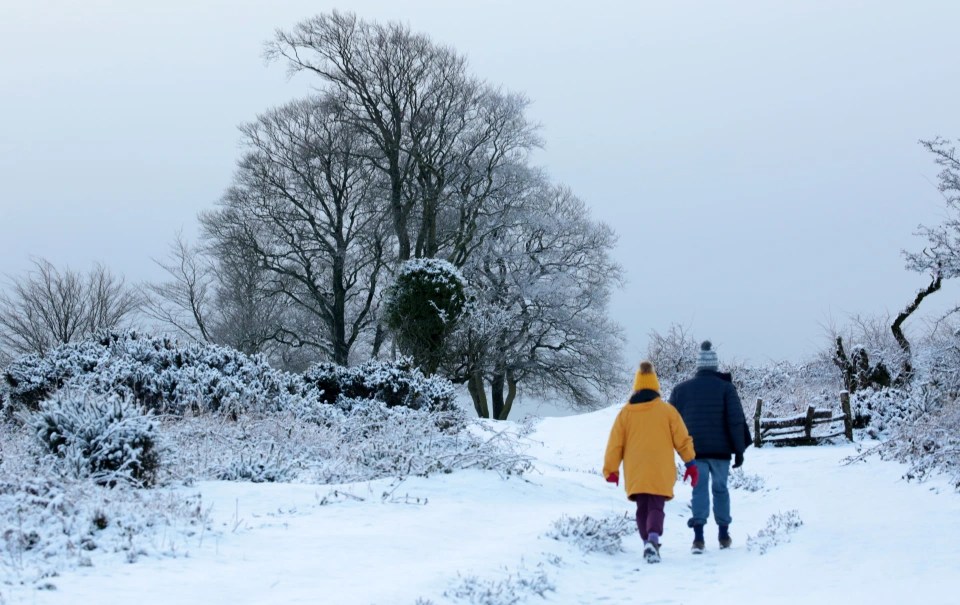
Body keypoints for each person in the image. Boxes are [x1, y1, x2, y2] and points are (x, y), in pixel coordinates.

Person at [603, 361, 698, 564]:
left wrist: (611, 469)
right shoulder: (667, 411)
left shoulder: (626, 414)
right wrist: (690, 463)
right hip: (660, 469)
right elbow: (682, 439)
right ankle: (653, 540)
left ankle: (647, 541)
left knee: (642, 508)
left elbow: (615, 444)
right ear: (656, 387)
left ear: (636, 388)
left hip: (635, 470)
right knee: (656, 506)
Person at [669, 340, 748, 554]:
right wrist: (738, 450)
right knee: (721, 490)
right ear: (715, 366)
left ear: (698, 366)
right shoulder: (726, 388)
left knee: (699, 490)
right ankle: (723, 535)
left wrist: (672, 449)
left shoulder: (680, 390)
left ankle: (698, 539)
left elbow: (670, 422)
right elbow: (735, 420)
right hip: (721, 452)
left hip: (693, 452)